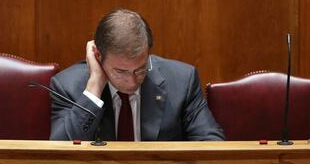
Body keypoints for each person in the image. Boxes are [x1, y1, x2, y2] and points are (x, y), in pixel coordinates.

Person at [50, 9, 225, 141]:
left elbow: (212, 144)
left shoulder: (182, 80)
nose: (132, 81)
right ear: (98, 56)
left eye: (140, 69)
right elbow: (58, 153)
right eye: (120, 71)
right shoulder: (68, 86)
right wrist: (95, 85)